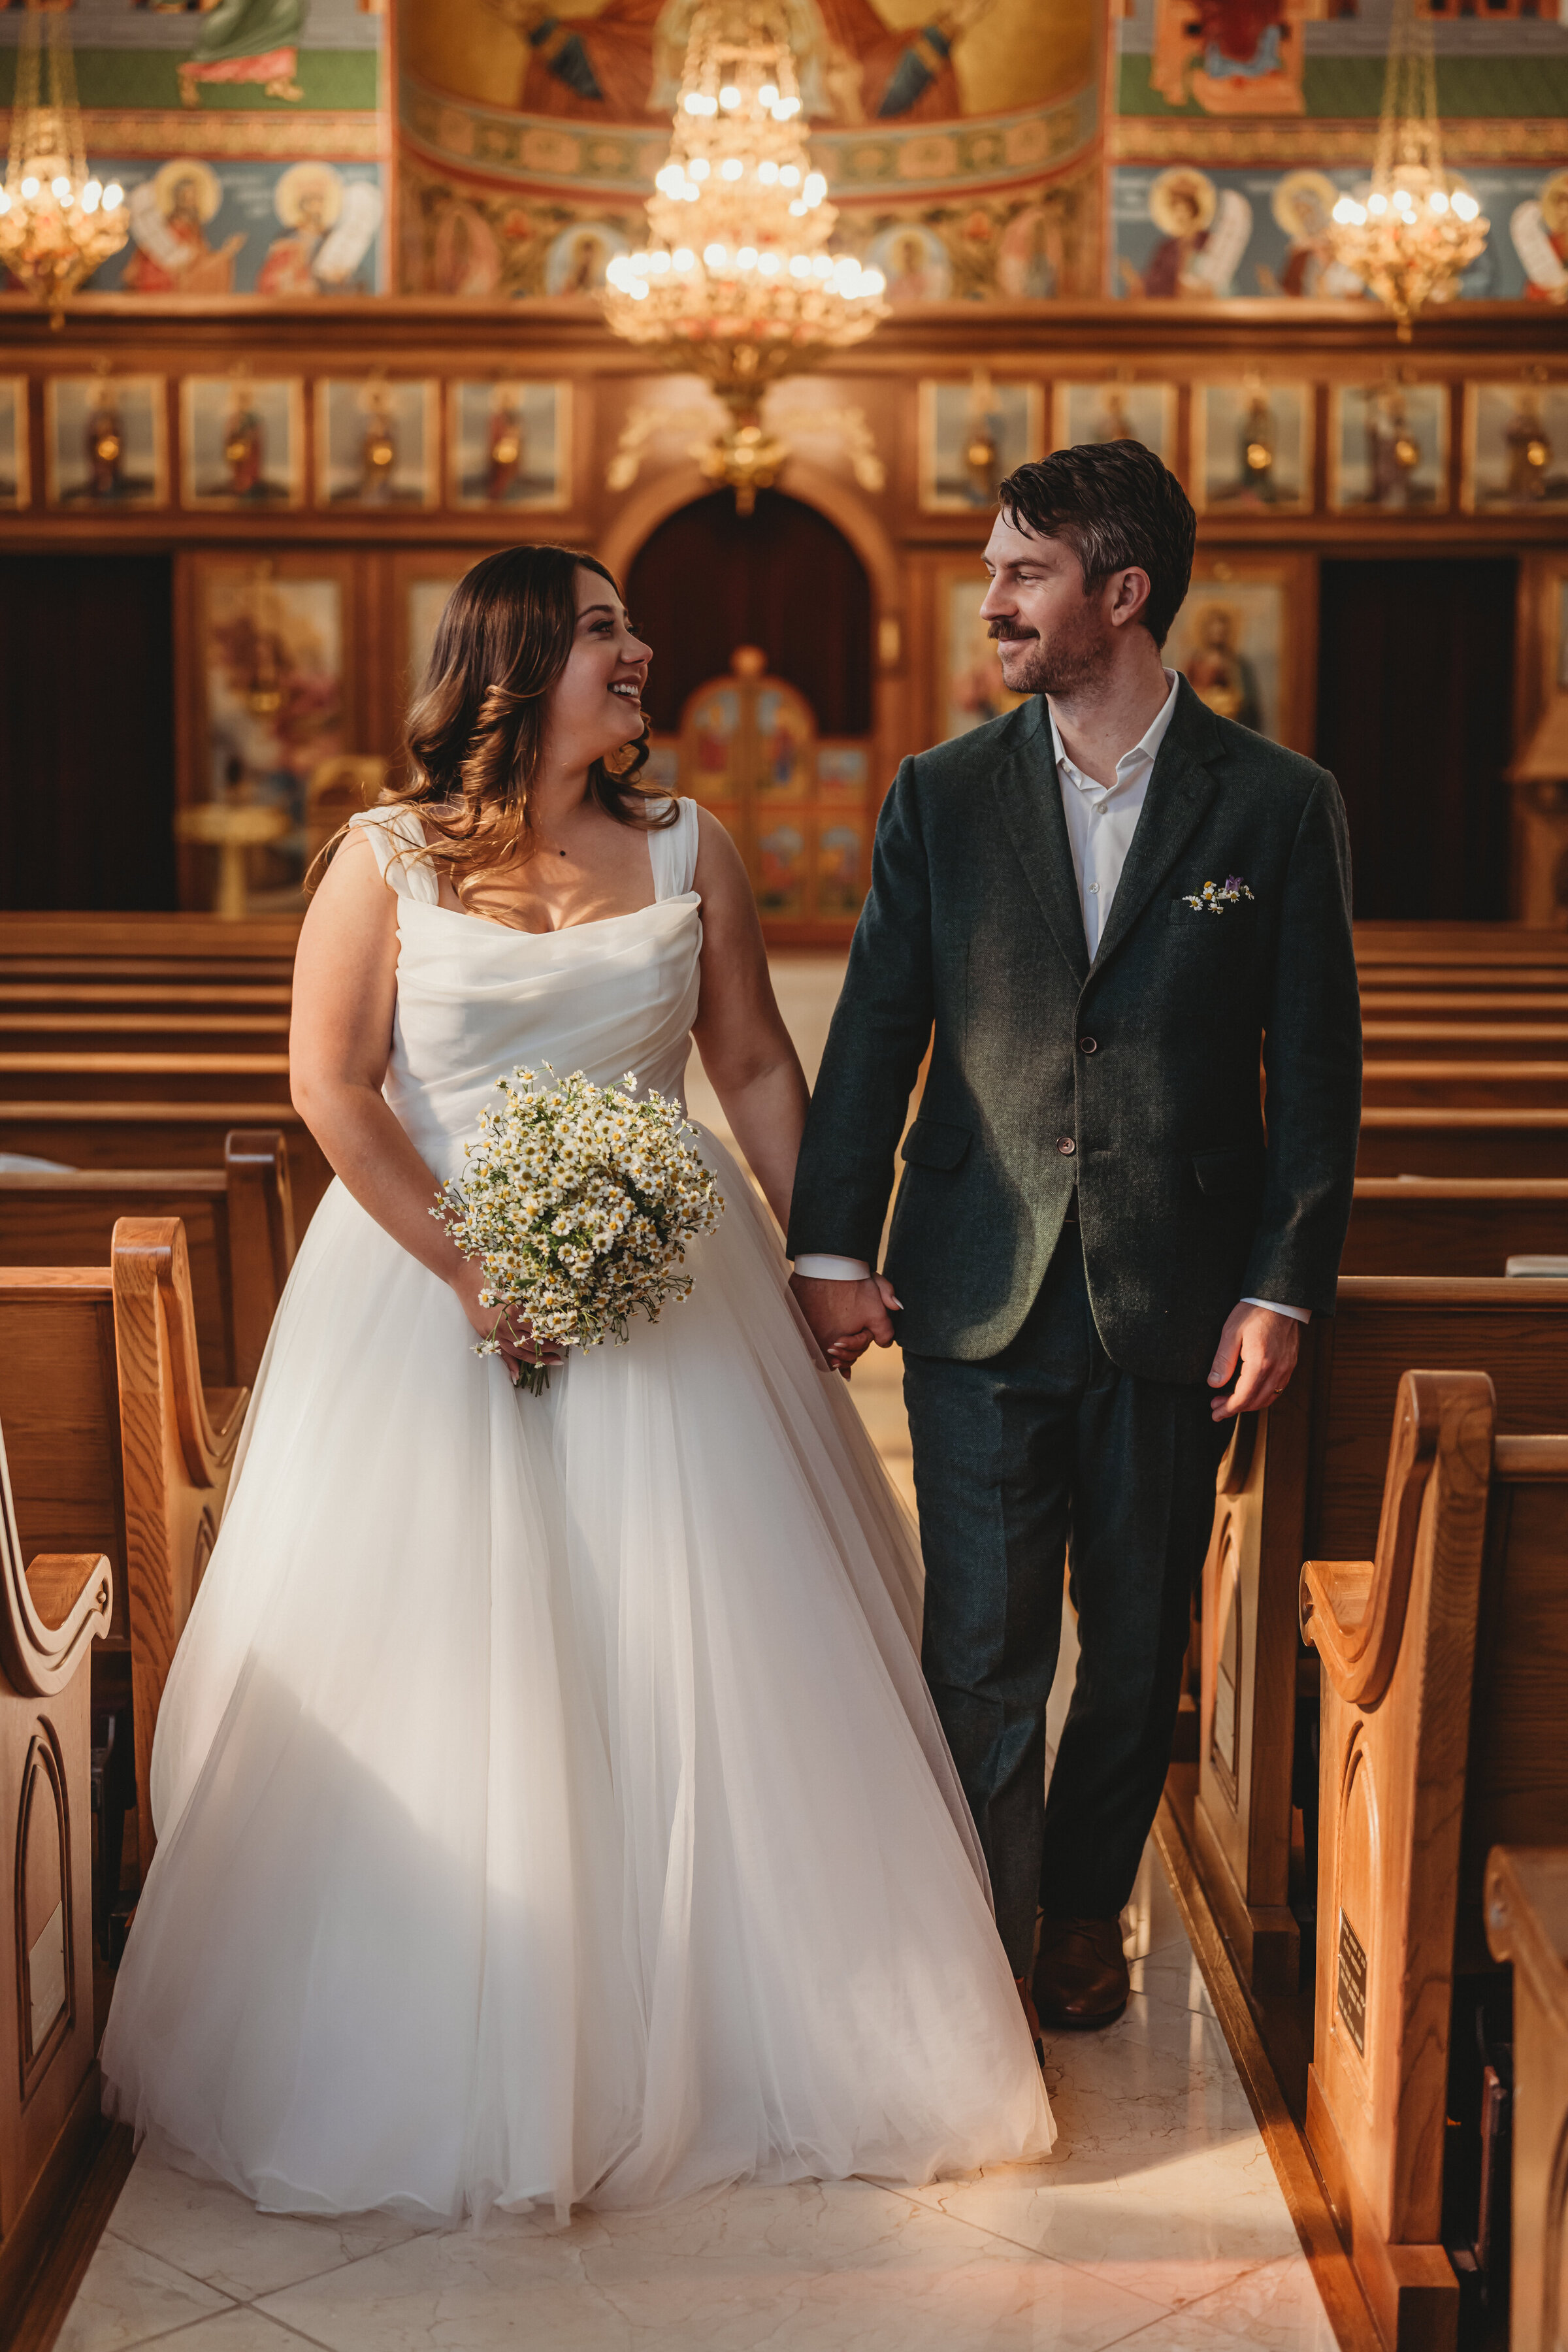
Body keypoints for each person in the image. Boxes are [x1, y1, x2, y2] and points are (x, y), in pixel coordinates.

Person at [99, 544, 1053, 2219]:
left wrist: (823, 1253)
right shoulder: (382, 858)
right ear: (520, 660)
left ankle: (738, 2022)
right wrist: (469, 1263)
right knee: (443, 1654)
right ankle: (449, 2037)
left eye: (628, 630)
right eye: (608, 631)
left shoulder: (692, 843)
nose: (642, 653)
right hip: (421, 1283)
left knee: (701, 1645)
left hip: (670, 1289)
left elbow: (751, 1058)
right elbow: (333, 1086)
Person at [787, 442, 1361, 2040]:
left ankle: (1085, 1912)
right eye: (994, 572)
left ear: (1124, 593)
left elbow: (1316, 1076)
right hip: (977, 1278)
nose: (994, 604)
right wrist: (830, 1247)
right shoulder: (942, 794)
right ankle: (984, 1928)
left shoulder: (1279, 803)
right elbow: (875, 1033)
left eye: (1023, 575)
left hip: (1176, 1301)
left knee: (1133, 1650)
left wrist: (1281, 1284)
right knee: (979, 1646)